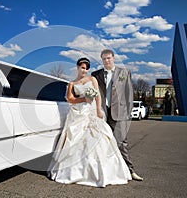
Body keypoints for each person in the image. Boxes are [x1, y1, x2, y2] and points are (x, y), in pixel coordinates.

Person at [47, 57, 131, 187]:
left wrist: (98, 110)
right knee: (75, 138)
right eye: (82, 67)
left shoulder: (92, 80)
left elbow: (97, 96)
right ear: (77, 67)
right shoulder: (72, 84)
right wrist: (83, 100)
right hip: (77, 113)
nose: (84, 70)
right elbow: (70, 99)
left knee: (98, 138)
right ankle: (74, 171)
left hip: (91, 111)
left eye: (86, 68)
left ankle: (101, 172)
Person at [91, 49, 143, 181]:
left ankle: (130, 171)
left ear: (113, 58)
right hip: (103, 113)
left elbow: (129, 94)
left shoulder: (124, 73)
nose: (106, 61)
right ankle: (107, 172)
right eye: (104, 59)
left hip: (120, 113)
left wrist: (128, 112)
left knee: (121, 142)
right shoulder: (96, 74)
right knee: (102, 142)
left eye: (109, 58)